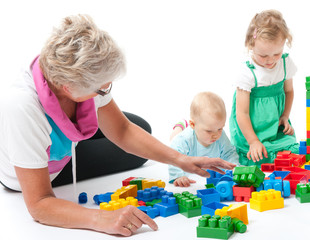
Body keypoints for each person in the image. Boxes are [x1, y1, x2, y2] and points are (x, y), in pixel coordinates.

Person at [0, 15, 235, 237]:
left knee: (140, 125)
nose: (105, 92)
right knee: (132, 154)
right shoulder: (21, 107)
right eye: (101, 89)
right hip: (35, 170)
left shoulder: (72, 74)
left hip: (64, 141)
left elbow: (123, 130)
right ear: (69, 88)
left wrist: (180, 159)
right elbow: (40, 204)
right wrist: (101, 218)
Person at [229, 9, 299, 167]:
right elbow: (242, 113)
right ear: (250, 45)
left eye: (277, 53)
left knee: (290, 151)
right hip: (251, 127)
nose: (270, 60)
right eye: (263, 55)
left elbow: (289, 91)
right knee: (258, 154)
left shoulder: (285, 64)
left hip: (274, 123)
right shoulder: (247, 73)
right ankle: (253, 144)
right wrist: (253, 141)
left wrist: (285, 116)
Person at [169, 92, 240, 187]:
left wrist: (234, 167)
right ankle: (180, 126)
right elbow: (174, 155)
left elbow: (229, 153)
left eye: (220, 128)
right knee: (174, 138)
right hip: (181, 139)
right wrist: (178, 176)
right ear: (193, 125)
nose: (215, 135)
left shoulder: (220, 135)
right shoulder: (185, 139)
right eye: (209, 131)